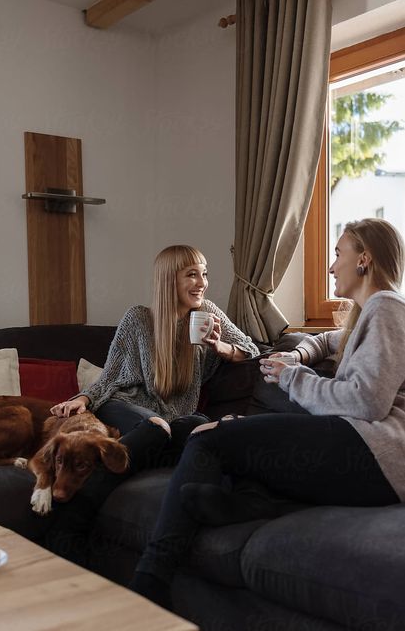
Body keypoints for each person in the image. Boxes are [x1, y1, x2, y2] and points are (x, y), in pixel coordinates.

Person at [129, 218, 405, 609]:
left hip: (374, 456)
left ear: (365, 259)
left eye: (338, 254)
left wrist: (294, 377)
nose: (331, 266)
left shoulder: (388, 307)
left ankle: (150, 581)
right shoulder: (368, 313)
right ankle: (255, 502)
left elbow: (367, 402)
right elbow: (328, 339)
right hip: (363, 456)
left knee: (211, 437)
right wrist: (298, 352)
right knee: (222, 429)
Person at [43, 244, 259, 563]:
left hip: (174, 418)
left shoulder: (207, 314)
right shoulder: (139, 318)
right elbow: (112, 373)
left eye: (204, 274)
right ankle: (69, 523)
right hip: (125, 405)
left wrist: (219, 346)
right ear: (169, 280)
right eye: (191, 275)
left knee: (202, 427)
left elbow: (250, 349)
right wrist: (84, 398)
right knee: (156, 428)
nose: (202, 282)